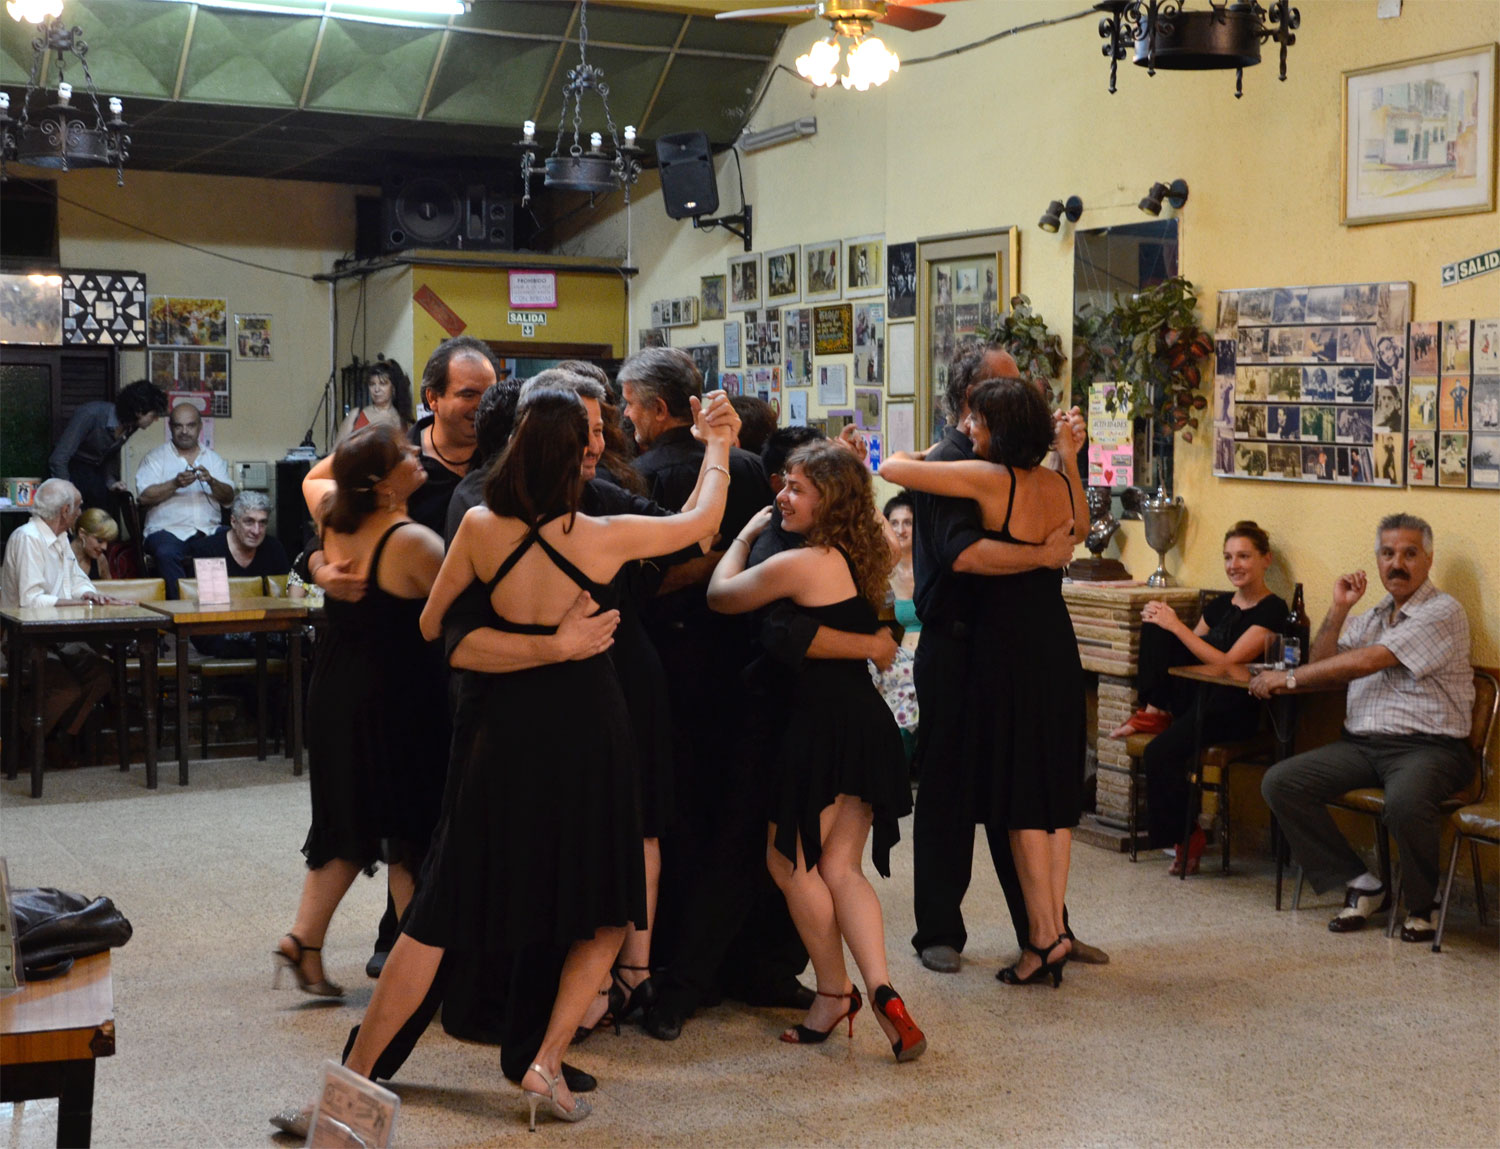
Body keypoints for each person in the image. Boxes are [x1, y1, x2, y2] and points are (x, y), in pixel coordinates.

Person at [334, 388, 732, 1131]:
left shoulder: (482, 524)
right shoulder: (604, 535)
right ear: (574, 454)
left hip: (503, 733)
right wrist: (717, 444)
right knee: (604, 907)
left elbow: (433, 625)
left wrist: (524, 633)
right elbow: (703, 522)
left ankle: (354, 1075)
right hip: (588, 726)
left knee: (438, 912)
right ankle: (545, 1060)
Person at [883, 339, 1100, 978]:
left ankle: (1046, 928)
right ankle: (941, 932)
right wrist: (1041, 551)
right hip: (957, 645)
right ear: (971, 400)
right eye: (1008, 388)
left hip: (1009, 649)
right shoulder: (954, 463)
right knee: (953, 789)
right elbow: (959, 553)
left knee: (1023, 788)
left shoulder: (997, 468)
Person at [708, 440, 927, 1060]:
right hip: (863, 722)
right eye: (784, 485)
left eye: (796, 489)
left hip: (818, 728)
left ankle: (834, 992)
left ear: (829, 501)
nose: (781, 496)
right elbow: (876, 632)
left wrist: (744, 536)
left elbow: (721, 597)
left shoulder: (802, 563)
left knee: (789, 865)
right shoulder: (870, 550)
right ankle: (884, 992)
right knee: (841, 868)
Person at [274, 425, 448, 999]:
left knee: (348, 823)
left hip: (335, 690)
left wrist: (320, 562)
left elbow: (317, 474)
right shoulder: (414, 542)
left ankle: (304, 940)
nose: (417, 454)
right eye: (403, 455)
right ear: (378, 484)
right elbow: (457, 611)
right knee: (408, 831)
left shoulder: (333, 513)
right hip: (395, 701)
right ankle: (421, 977)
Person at [1258, 514, 1475, 942]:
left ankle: (1422, 904)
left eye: (1410, 554)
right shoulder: (1374, 615)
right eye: (1388, 553)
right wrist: (1339, 609)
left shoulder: (1443, 611)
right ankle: (1362, 883)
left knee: (1406, 801)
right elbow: (1323, 666)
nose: (1398, 563)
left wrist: (1287, 678)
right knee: (1281, 782)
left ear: (1428, 560)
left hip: (1430, 749)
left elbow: (1370, 660)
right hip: (1361, 745)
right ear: (1377, 560)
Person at [1108, 522, 1289, 873]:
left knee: (1160, 752)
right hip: (1199, 699)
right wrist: (1164, 624)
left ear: (1265, 560)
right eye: (1228, 557)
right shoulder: (1221, 605)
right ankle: (1154, 710)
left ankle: (1188, 835)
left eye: (1244, 556)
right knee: (1155, 624)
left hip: (1232, 709)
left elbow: (1227, 663)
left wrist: (1176, 626)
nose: (1234, 564)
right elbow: (1186, 653)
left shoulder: (1273, 610)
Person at [0, 479, 118, 747]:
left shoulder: (61, 538)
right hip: (25, 641)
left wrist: (89, 593)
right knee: (65, 689)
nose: (80, 511)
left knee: (102, 674)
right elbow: (31, 601)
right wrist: (74, 603)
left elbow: (76, 580)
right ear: (65, 510)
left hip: (59, 638)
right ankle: (23, 741)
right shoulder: (27, 538)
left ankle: (61, 737)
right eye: (78, 506)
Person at [134, 403, 234, 597]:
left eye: (190, 425)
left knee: (232, 542)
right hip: (166, 531)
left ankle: (216, 611)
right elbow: (144, 497)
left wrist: (212, 482)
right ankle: (181, 611)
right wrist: (174, 484)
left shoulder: (213, 459)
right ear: (170, 427)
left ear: (200, 427)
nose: (184, 431)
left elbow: (229, 497)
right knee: (166, 553)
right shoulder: (155, 458)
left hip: (208, 530)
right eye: (178, 426)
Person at [406, 336, 497, 535]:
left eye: (489, 394)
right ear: (433, 398)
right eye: (468, 395)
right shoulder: (398, 456)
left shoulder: (508, 454)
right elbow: (325, 484)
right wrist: (319, 558)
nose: (483, 406)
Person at [182, 491, 292, 655]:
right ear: (233, 521)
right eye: (249, 522)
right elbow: (207, 607)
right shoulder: (208, 549)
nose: (256, 530)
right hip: (218, 631)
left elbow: (285, 600)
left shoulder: (274, 548)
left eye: (262, 523)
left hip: (265, 630)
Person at [48, 380, 168, 512]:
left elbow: (109, 456)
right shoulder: (90, 414)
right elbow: (58, 458)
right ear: (139, 411)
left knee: (110, 505)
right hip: (71, 469)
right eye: (154, 415)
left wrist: (111, 482)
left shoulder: (131, 426)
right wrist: (67, 493)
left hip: (94, 472)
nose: (155, 419)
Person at [334, 358, 415, 446]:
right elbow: (334, 454)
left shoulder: (404, 421)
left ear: (393, 388)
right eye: (372, 384)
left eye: (382, 383)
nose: (376, 389)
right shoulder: (356, 416)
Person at [70, 508, 119, 581]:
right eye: (100, 540)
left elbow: (110, 589)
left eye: (107, 542)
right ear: (82, 533)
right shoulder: (61, 556)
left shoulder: (101, 560)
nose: (104, 547)